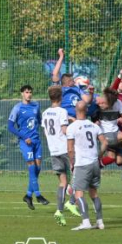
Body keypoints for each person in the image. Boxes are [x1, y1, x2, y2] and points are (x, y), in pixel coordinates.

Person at [40, 85, 81, 226]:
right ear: (61, 97)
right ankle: (71, 202)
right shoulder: (62, 111)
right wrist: (75, 129)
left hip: (54, 150)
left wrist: (69, 119)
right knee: (79, 176)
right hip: (65, 149)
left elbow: (47, 131)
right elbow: (64, 131)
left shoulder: (45, 113)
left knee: (63, 182)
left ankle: (59, 211)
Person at [67, 100, 108, 231]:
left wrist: (71, 163)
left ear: (75, 110)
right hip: (95, 163)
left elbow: (70, 149)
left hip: (82, 164)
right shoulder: (94, 126)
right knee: (94, 193)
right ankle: (100, 222)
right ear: (86, 110)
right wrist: (100, 155)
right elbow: (105, 143)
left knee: (79, 194)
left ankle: (86, 222)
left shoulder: (72, 127)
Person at [8, 85, 50, 210]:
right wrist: (23, 136)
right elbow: (10, 126)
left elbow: (39, 121)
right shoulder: (17, 108)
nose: (29, 94)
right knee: (32, 168)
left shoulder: (36, 106)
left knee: (37, 169)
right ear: (22, 93)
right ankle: (38, 195)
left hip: (36, 141)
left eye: (30, 92)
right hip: (26, 143)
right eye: (27, 92)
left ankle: (28, 195)